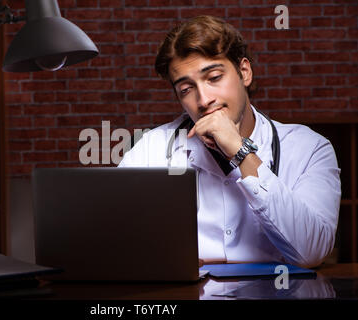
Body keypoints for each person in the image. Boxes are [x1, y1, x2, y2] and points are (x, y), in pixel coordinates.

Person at [118, 15, 341, 268]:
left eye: (214, 77)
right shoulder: (150, 150)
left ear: (244, 72)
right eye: (186, 89)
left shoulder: (309, 148)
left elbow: (312, 251)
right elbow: (116, 243)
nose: (203, 100)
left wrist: (240, 150)